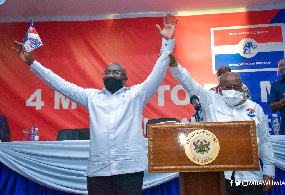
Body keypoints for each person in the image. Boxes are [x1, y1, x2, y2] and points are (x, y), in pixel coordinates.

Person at [13, 13, 178, 195]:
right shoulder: (92, 97)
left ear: (125, 79)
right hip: (98, 172)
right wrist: (32, 63)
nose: (110, 75)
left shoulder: (136, 95)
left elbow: (158, 72)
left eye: (116, 72)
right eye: (107, 72)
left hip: (129, 170)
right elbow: (60, 85)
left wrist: (167, 44)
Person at [168, 53, 275, 194]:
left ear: (242, 87)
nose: (233, 90)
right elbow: (189, 83)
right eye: (228, 87)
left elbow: (265, 141)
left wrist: (269, 172)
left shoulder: (255, 108)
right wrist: (174, 65)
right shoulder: (210, 101)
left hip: (251, 177)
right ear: (220, 88)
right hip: (220, 177)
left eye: (236, 87)